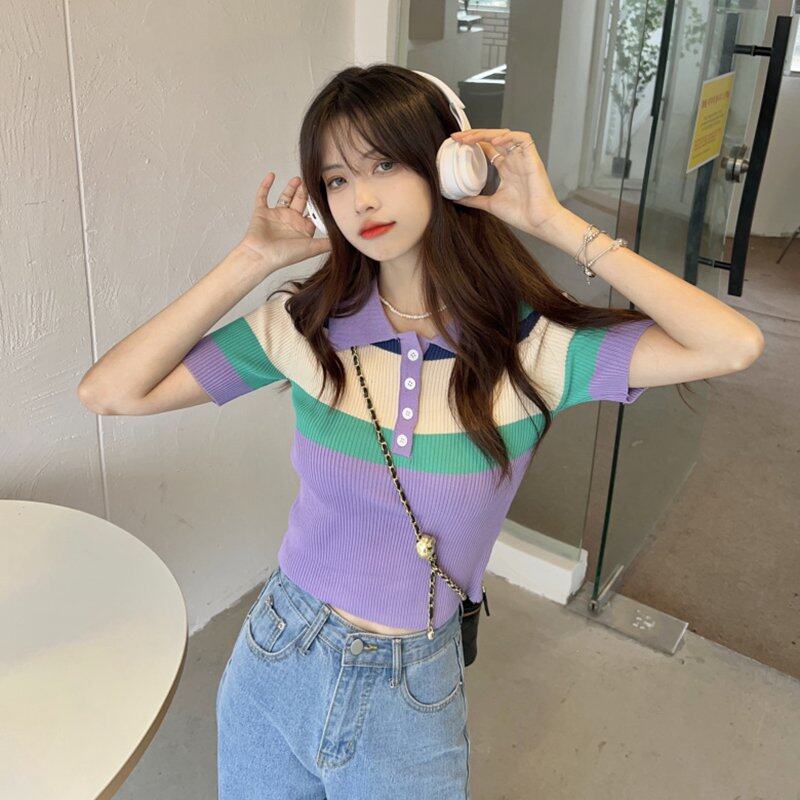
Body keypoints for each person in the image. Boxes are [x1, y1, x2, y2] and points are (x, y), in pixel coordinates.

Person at [77, 63, 764, 799]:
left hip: (412, 689)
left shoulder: (535, 351)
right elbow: (111, 393)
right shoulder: (303, 330)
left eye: (384, 164)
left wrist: (550, 221)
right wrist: (253, 259)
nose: (361, 199)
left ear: (447, 166)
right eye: (337, 179)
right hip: (279, 650)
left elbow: (733, 345)